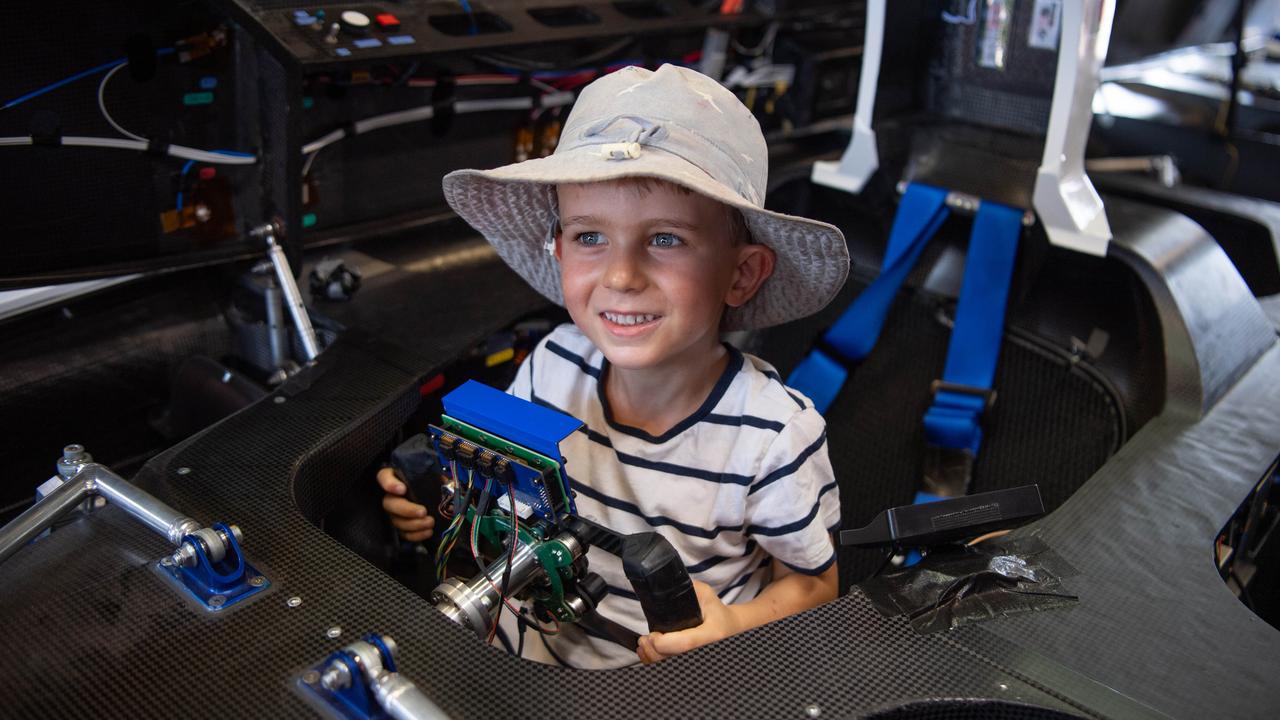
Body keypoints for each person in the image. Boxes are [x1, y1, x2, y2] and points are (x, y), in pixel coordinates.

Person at [377, 63, 850, 668]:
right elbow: (497, 494)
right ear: (557, 247)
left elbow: (815, 586)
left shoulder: (774, 437)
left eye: (666, 239)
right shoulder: (551, 363)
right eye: (589, 237)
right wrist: (433, 499)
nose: (622, 277)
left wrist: (732, 625)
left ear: (741, 273)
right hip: (521, 657)